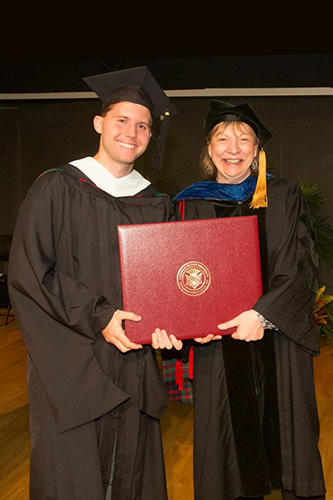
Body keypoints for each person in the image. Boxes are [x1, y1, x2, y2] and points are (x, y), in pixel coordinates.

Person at [8, 66, 182, 500]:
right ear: (99, 123)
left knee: (132, 466)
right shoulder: (57, 187)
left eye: (143, 125)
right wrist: (99, 315)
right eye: (122, 120)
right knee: (73, 469)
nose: (133, 132)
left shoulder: (155, 202)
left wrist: (167, 323)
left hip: (133, 358)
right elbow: (30, 273)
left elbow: (163, 283)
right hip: (72, 356)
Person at [169, 100, 326, 500]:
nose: (232, 147)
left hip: (279, 339)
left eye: (244, 139)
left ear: (257, 151)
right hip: (217, 344)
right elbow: (182, 276)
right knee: (224, 452)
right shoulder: (190, 203)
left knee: (289, 440)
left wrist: (263, 315)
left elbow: (301, 265)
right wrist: (194, 325)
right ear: (209, 149)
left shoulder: (284, 195)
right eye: (222, 138)